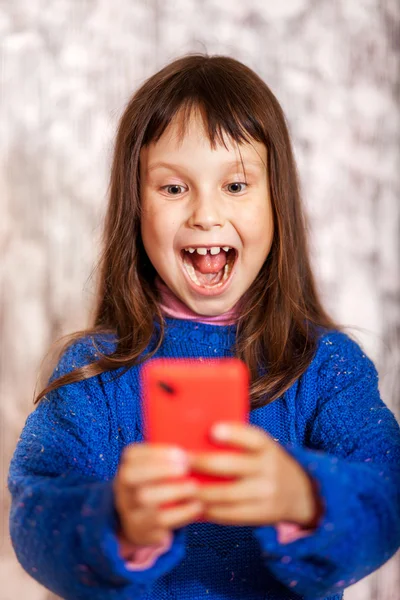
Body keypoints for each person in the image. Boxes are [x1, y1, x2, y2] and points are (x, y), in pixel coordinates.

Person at [7, 53, 400, 600]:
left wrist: (303, 496)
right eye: (174, 189)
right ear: (134, 207)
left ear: (276, 201)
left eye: (235, 186)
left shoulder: (325, 366)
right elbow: (33, 513)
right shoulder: (92, 374)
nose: (205, 215)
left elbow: (387, 496)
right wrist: (115, 518)